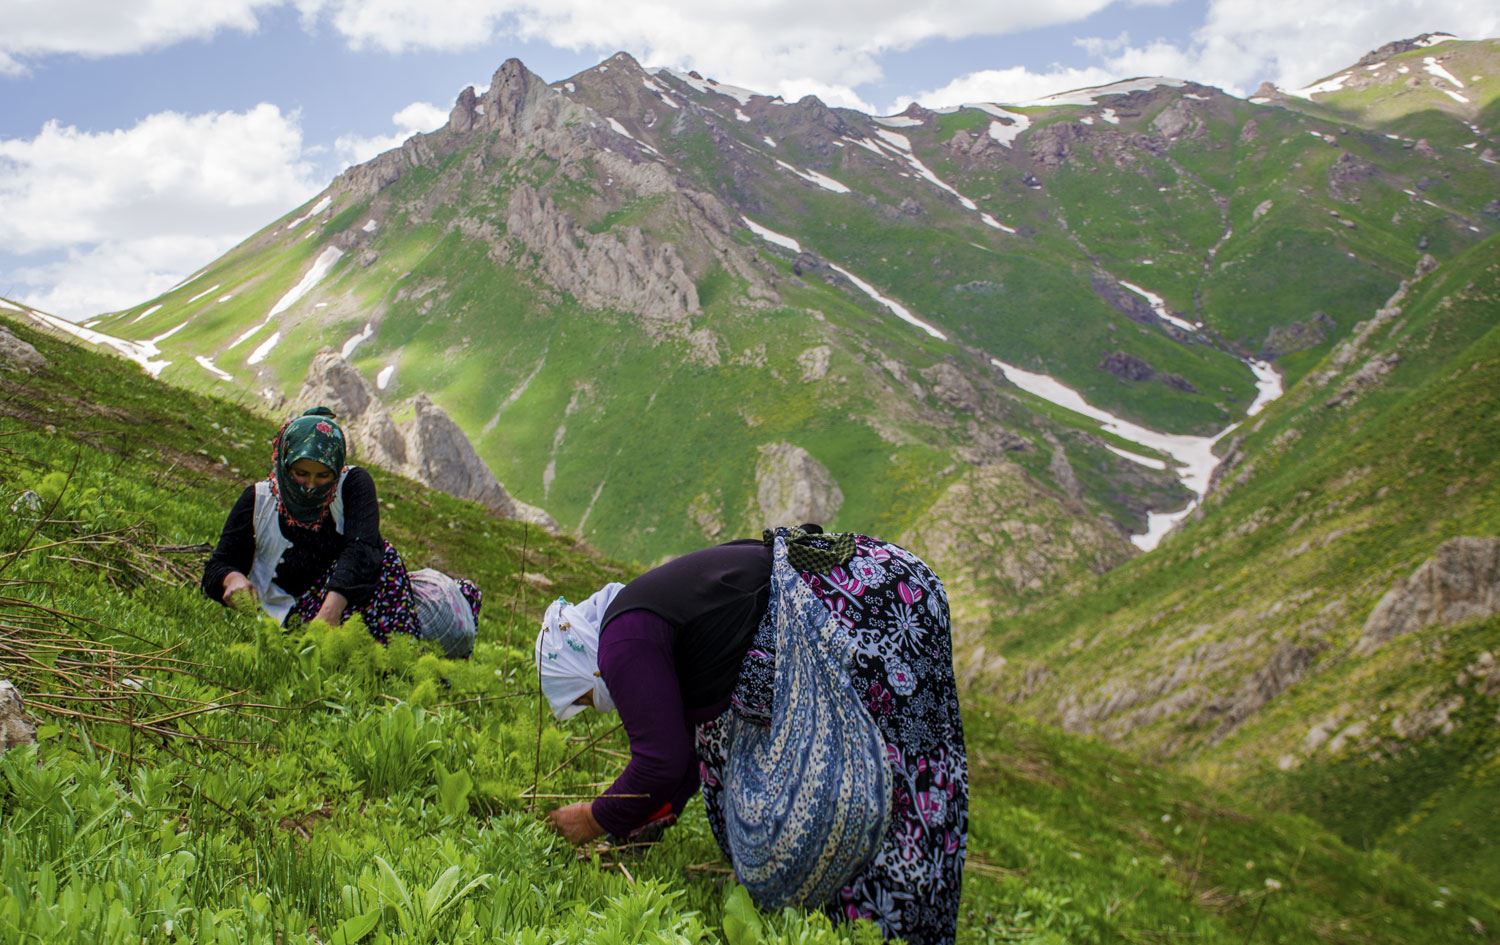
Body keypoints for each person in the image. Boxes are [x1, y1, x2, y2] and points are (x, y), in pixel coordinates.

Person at [536, 526, 967, 945]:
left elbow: (659, 762)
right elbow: (684, 761)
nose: (594, 708)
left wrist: (591, 818)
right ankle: (863, 919)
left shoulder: (620, 643)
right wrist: (647, 821)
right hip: (879, 588)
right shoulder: (638, 623)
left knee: (896, 778)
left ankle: (888, 924)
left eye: (584, 700)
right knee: (908, 772)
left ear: (585, 671)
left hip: (869, 605)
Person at [201, 406, 481, 642]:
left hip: (348, 600)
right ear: (284, 465)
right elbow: (218, 566)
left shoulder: (353, 484)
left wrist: (330, 612)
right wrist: (232, 579)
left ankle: (396, 653)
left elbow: (363, 548)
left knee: (386, 560)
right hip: (288, 614)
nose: (310, 486)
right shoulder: (258, 500)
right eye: (300, 474)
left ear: (336, 470)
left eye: (323, 476)